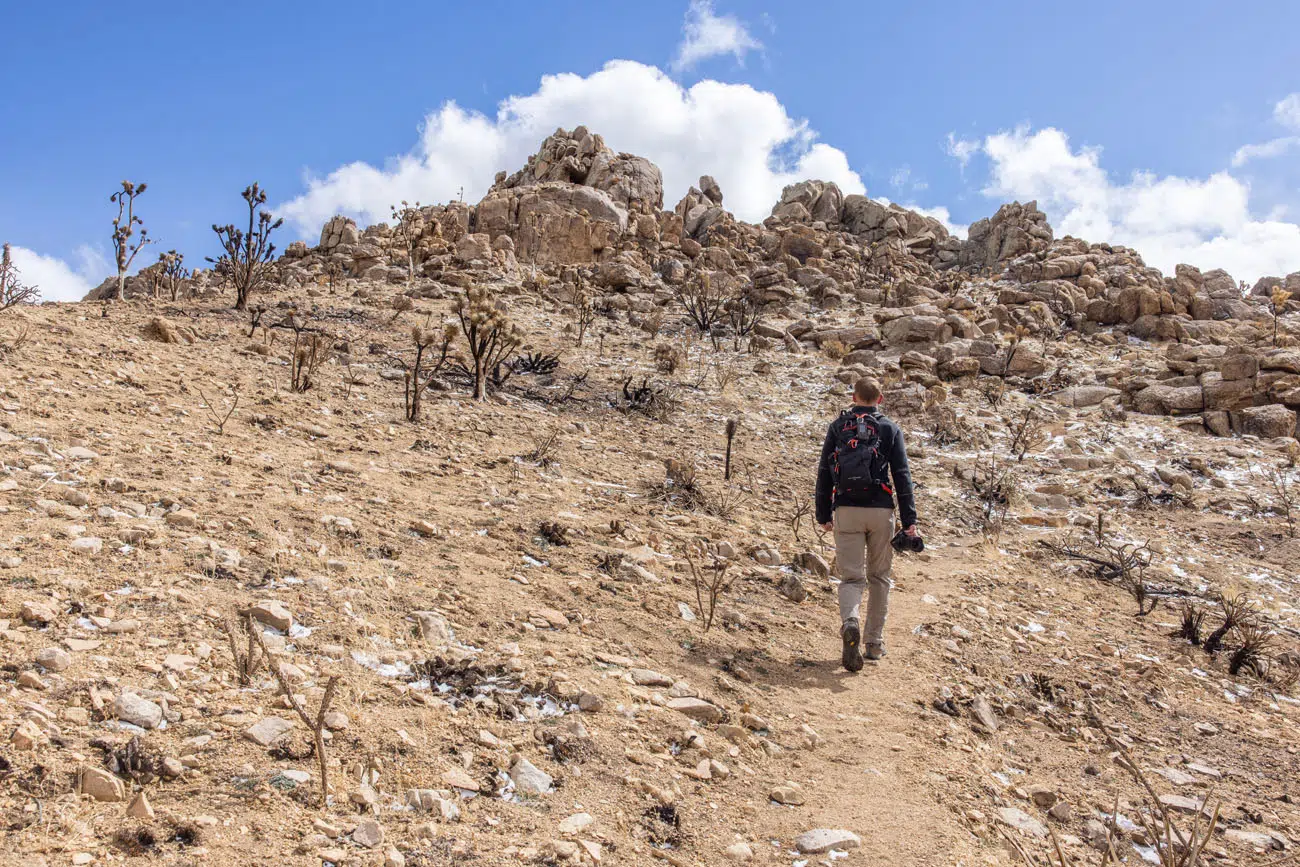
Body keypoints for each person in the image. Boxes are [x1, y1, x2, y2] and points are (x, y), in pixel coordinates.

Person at [814, 377, 918, 671]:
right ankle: (873, 644)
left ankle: (850, 621)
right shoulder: (889, 428)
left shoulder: (838, 428)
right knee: (880, 577)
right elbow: (901, 475)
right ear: (880, 399)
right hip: (880, 511)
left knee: (851, 579)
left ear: (853, 396)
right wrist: (909, 521)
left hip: (846, 509)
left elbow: (824, 472)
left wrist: (823, 514)